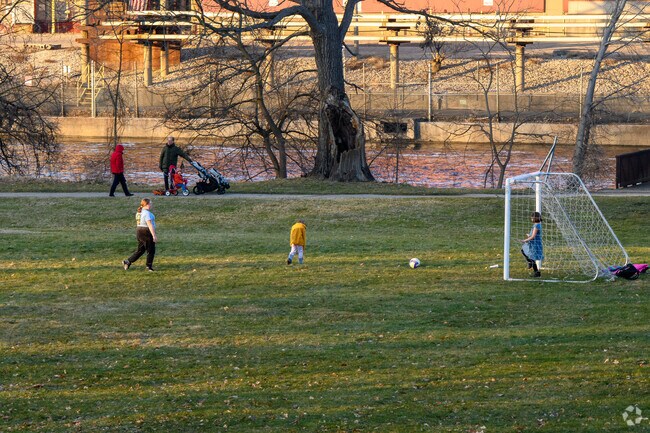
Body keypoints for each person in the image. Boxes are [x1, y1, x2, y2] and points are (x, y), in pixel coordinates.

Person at [123, 198, 157, 272]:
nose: (151, 205)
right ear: (147, 204)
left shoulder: (139, 212)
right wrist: (154, 235)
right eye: (150, 203)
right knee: (151, 250)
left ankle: (128, 261)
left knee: (141, 250)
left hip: (139, 231)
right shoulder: (146, 213)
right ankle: (149, 267)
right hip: (146, 232)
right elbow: (149, 225)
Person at [521, 211, 543, 277]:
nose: (531, 219)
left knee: (531, 257)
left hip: (534, 244)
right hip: (533, 242)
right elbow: (533, 235)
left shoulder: (536, 226)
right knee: (523, 250)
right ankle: (530, 263)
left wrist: (525, 240)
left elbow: (533, 236)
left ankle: (536, 272)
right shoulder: (538, 224)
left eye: (532, 218)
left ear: (535, 218)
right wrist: (529, 235)